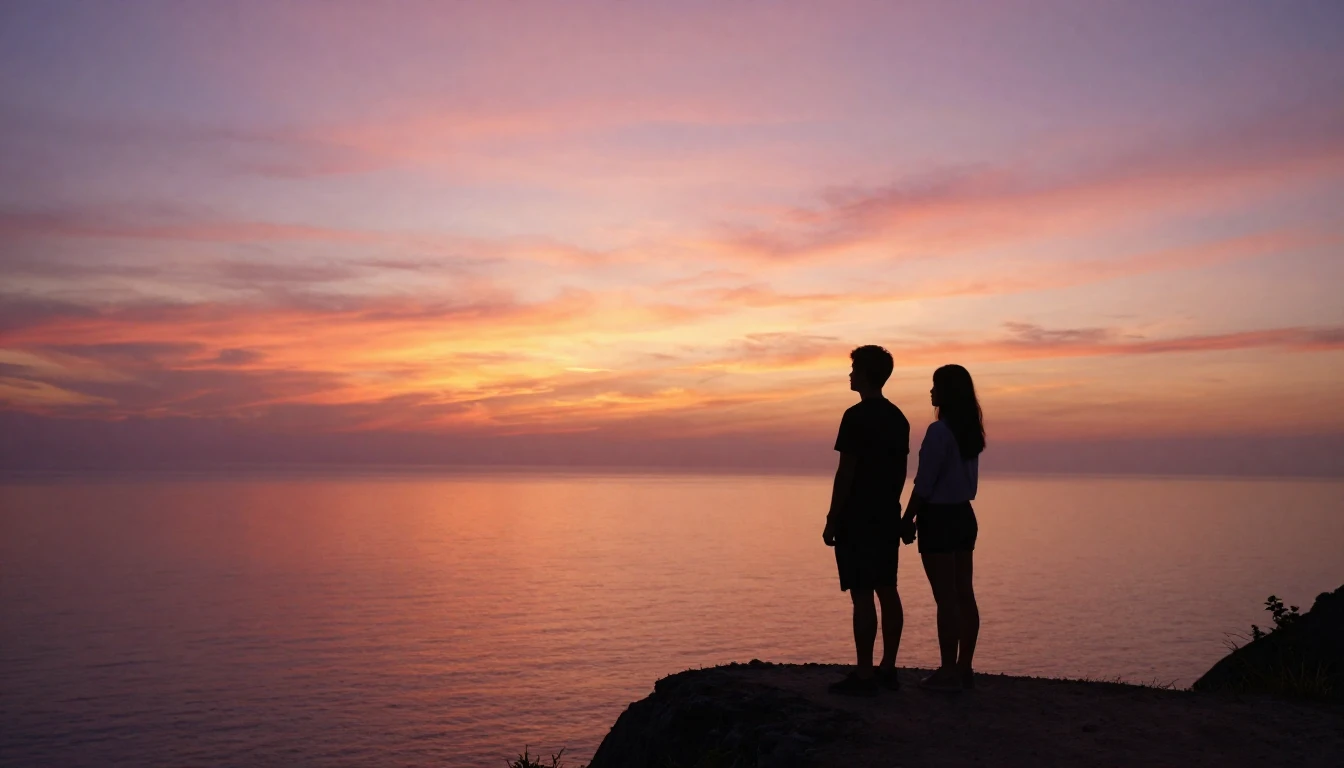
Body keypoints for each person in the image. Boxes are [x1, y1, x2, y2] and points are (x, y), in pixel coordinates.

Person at [822, 345, 911, 696]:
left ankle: (864, 673)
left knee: (862, 593)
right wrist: (896, 509)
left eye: (854, 368)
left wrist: (832, 517)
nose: (849, 374)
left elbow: (846, 472)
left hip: (857, 515)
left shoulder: (855, 416)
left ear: (866, 374)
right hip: (886, 512)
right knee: (887, 588)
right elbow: (902, 471)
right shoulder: (898, 418)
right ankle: (887, 667)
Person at [901, 364, 985, 691]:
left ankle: (948, 669)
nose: (931, 391)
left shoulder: (939, 432)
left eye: (936, 385)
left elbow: (924, 483)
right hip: (964, 516)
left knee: (946, 598)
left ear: (947, 392)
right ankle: (964, 667)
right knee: (965, 594)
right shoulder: (970, 432)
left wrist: (907, 518)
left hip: (939, 518)